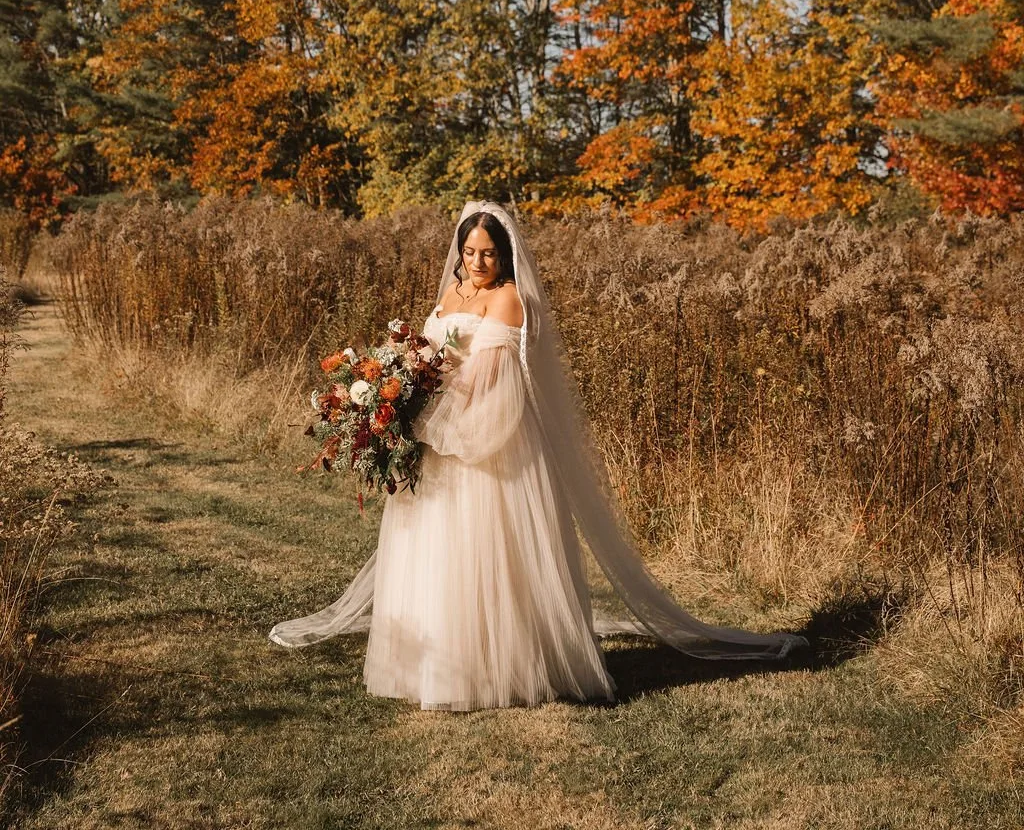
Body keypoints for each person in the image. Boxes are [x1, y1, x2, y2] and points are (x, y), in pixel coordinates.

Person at [268, 200, 807, 710]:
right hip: (439, 436)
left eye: (488, 254)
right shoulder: (452, 292)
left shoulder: (508, 300)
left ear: (505, 257)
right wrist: (394, 383)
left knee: (482, 554)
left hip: (485, 440)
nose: (477, 263)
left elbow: (487, 382)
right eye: (470, 251)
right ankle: (428, 664)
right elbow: (427, 353)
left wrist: (418, 406)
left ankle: (487, 669)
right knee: (433, 553)